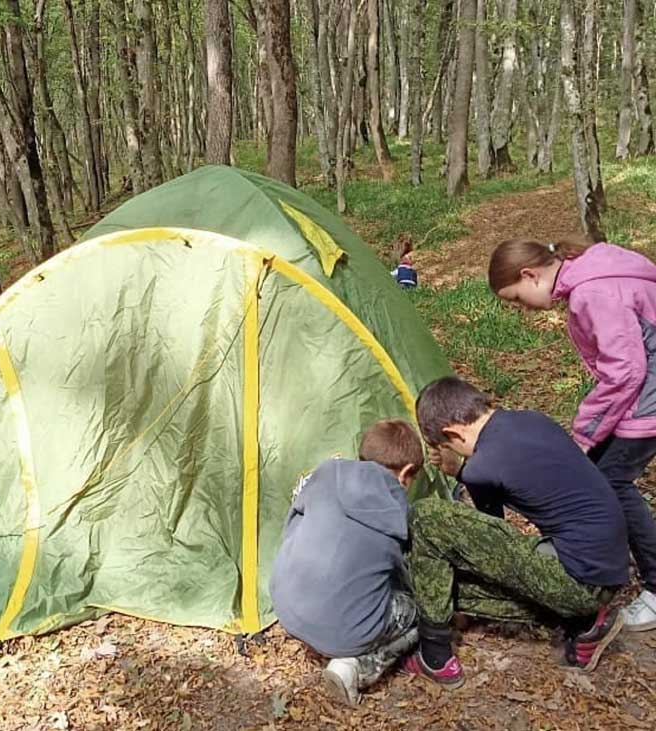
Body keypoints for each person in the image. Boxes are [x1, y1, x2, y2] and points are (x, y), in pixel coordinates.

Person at [404, 377, 628, 689]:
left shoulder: (483, 466)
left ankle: (434, 654)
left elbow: (489, 523)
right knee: (442, 583)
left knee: (427, 522)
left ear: (452, 433)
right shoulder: (531, 420)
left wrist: (460, 471)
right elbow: (492, 528)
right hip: (606, 565)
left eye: (443, 447)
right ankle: (586, 621)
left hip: (579, 582)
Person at [488, 237, 656, 632]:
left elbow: (625, 371)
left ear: (529, 275)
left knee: (611, 482)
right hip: (645, 392)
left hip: (649, 399)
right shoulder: (593, 268)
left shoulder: (591, 293)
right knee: (600, 474)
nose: (521, 309)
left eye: (516, 298)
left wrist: (583, 434)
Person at [270, 420, 423, 706]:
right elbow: (402, 572)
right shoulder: (396, 509)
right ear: (405, 473)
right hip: (344, 631)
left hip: (285, 607)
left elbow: (293, 523)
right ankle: (357, 667)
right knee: (419, 612)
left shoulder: (327, 473)